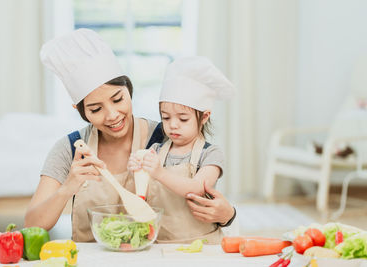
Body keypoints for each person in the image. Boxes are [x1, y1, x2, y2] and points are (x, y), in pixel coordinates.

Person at [24, 28, 235, 242]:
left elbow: (198, 194)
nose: (112, 115)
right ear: (81, 111)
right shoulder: (69, 148)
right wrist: (68, 187)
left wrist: (227, 215)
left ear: (129, 89)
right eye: (96, 109)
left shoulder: (168, 138)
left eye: (118, 100)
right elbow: (32, 224)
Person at [128, 57, 235, 244]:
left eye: (183, 119)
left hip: (201, 244)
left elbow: (196, 188)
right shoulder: (155, 150)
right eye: (166, 117)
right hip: (159, 241)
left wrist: (159, 172)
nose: (173, 125)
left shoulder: (210, 154)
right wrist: (136, 168)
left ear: (204, 117)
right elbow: (140, 190)